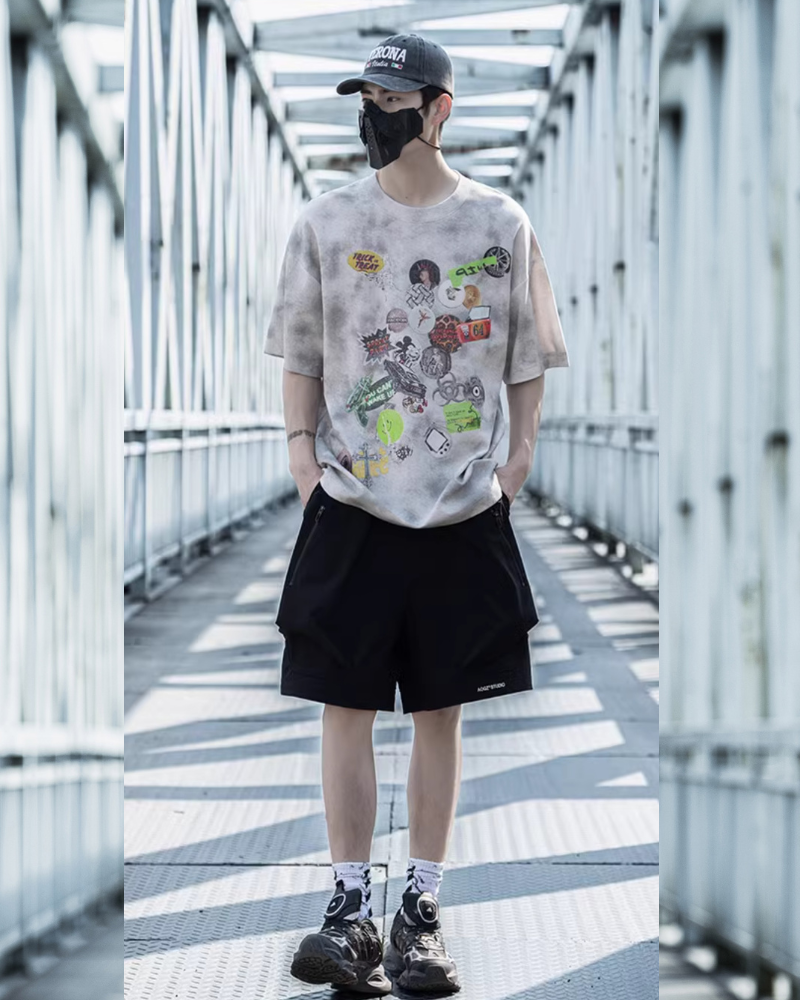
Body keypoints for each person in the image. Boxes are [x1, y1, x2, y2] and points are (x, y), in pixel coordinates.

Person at [263, 31, 569, 996]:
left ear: (439, 110)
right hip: (351, 502)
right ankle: (350, 910)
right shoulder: (326, 222)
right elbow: (301, 352)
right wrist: (304, 463)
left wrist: (517, 464)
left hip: (461, 508)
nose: (376, 115)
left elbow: (527, 354)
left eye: (394, 101)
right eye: (368, 99)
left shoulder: (499, 222)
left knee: (441, 709)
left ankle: (420, 917)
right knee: (344, 705)